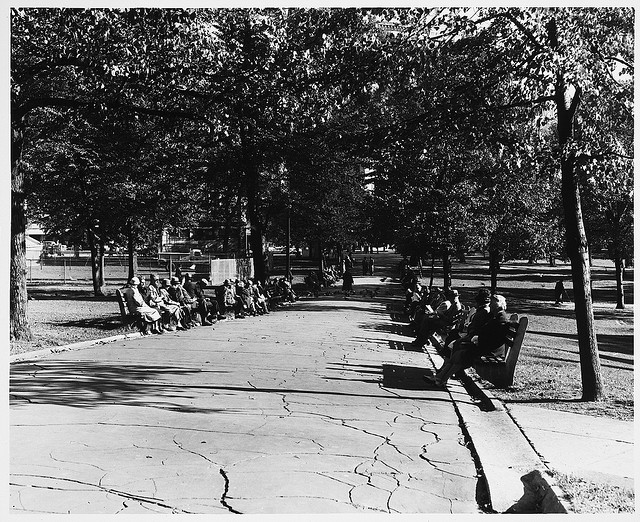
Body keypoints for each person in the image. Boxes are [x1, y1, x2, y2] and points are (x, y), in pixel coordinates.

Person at [425, 294, 510, 387]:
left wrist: (475, 341)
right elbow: (486, 334)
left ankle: (441, 379)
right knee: (459, 354)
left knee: (461, 354)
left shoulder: (500, 319)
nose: (490, 306)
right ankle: (440, 379)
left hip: (490, 351)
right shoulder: (497, 316)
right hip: (484, 346)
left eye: (492, 305)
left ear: (498, 306)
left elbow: (492, 338)